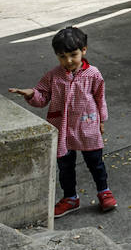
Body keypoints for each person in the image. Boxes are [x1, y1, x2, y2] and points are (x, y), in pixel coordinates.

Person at [9, 26, 114, 217]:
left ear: (84, 50)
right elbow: (42, 98)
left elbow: (100, 97)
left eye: (73, 55)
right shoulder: (52, 76)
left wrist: (101, 120)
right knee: (65, 166)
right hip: (62, 128)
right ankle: (70, 198)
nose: (68, 61)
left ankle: (104, 191)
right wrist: (32, 93)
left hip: (87, 125)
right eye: (62, 56)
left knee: (95, 162)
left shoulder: (93, 74)